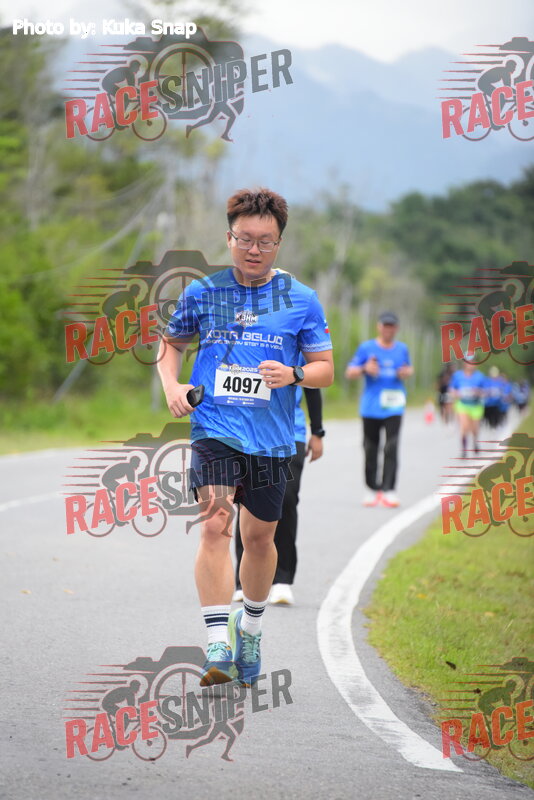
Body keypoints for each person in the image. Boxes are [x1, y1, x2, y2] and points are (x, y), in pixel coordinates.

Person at [157, 188, 333, 688]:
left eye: (266, 241)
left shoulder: (302, 299)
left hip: (273, 439)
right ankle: (217, 642)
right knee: (215, 524)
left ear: (279, 243)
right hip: (214, 427)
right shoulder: (203, 292)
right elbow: (170, 344)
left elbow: (325, 369)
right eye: (245, 239)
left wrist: (294, 374)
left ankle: (250, 629)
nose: (254, 249)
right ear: (229, 237)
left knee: (259, 538)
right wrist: (173, 386)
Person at [233, 374, 325, 606]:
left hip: (289, 432)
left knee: (286, 498)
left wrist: (317, 432)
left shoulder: (295, 348)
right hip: (247, 431)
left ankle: (282, 579)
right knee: (247, 501)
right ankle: (243, 581)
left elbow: (312, 384)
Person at [345, 312, 413, 508]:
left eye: (392, 326)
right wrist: (365, 369)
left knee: (392, 446)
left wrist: (405, 372)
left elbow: (409, 369)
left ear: (396, 328)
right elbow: (350, 372)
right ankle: (371, 488)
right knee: (370, 448)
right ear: (379, 326)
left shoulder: (402, 349)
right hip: (371, 407)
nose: (388, 329)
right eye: (385, 325)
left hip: (394, 405)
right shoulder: (367, 348)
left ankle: (389, 489)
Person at [449, 359, 486, 457]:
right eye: (469, 362)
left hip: (476, 405)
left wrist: (478, 392)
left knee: (474, 429)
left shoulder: (480, 376)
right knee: (464, 426)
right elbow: (452, 389)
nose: (471, 364)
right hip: (462, 404)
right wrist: (456, 393)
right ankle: (464, 449)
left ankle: (475, 442)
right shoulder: (457, 375)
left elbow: (485, 391)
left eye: (473, 362)